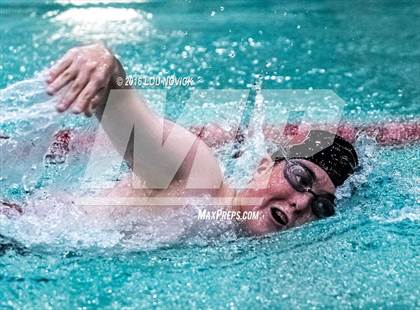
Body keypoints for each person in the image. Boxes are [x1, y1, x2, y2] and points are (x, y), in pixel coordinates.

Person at [1, 44, 417, 235]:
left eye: (321, 207)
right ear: (262, 164)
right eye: (300, 178)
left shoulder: (226, 235)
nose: (300, 203)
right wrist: (105, 66)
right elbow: (129, 118)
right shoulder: (196, 176)